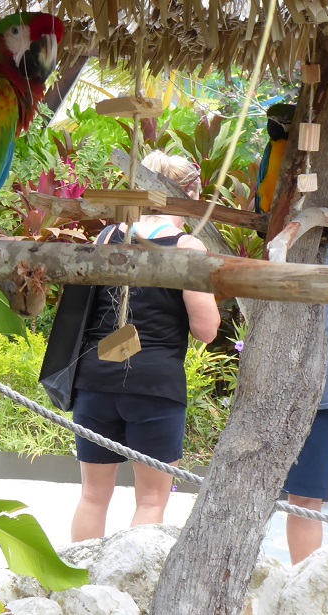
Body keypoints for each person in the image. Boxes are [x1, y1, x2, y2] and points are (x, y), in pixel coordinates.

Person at [70, 151, 221, 542]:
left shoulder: (108, 235)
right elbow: (206, 330)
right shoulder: (188, 247)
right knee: (152, 500)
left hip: (97, 375)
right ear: (190, 193)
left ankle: (80, 588)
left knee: (92, 495)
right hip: (155, 384)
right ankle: (132, 590)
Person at [284, 243, 328, 564]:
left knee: (305, 500)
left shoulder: (301, 229)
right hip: (316, 384)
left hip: (314, 380)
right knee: (304, 500)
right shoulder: (303, 230)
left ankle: (301, 595)